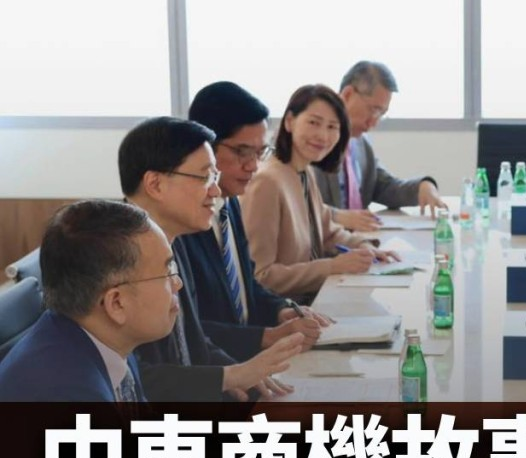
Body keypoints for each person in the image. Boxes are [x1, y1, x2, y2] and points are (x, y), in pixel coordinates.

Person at [0, 200, 341, 458]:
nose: (177, 283)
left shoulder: (98, 339)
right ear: (116, 302)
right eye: (166, 272)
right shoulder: (66, 394)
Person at [120, 116, 302, 401]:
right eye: (204, 177)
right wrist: (228, 377)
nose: (216, 191)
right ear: (155, 184)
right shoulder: (117, 258)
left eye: (215, 177)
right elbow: (128, 379)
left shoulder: (172, 243)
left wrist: (241, 372)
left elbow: (193, 340)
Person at [181, 81, 330, 361]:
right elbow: (185, 329)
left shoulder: (229, 203)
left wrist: (280, 309)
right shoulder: (183, 222)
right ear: (205, 148)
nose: (253, 165)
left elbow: (247, 284)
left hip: (250, 360)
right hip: (219, 373)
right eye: (242, 151)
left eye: (259, 152)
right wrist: (264, 337)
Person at [242, 84, 396, 302]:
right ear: (289, 121)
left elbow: (327, 232)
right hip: (288, 310)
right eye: (314, 123)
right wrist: (332, 266)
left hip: (316, 299)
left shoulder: (304, 171)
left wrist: (364, 247)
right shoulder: (267, 182)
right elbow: (261, 276)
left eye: (332, 127)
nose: (323, 136)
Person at [312, 61, 446, 232]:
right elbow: (298, 206)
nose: (374, 122)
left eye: (381, 114)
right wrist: (339, 217)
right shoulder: (313, 142)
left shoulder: (361, 143)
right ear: (347, 94)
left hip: (361, 239)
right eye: (373, 110)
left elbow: (383, 186)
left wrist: (422, 186)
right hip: (327, 243)